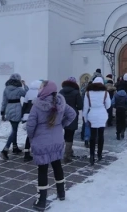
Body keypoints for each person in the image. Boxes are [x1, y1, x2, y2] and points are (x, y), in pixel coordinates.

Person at [26, 80, 76, 211]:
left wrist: (32, 137)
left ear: (45, 89)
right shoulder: (61, 102)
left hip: (42, 142)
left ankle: (41, 201)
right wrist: (61, 125)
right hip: (57, 140)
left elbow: (30, 125)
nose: (39, 89)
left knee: (42, 170)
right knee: (57, 165)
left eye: (41, 87)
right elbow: (72, 114)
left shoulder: (37, 105)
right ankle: (61, 193)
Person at [83, 77, 111, 165]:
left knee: (93, 135)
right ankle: (99, 154)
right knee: (101, 135)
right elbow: (108, 105)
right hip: (102, 114)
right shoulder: (105, 93)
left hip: (92, 114)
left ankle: (92, 156)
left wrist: (85, 118)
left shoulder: (88, 93)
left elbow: (85, 108)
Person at [0, 73, 27, 161]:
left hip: (8, 109)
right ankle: (5, 149)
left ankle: (15, 147)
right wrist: (25, 85)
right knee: (14, 130)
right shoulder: (19, 89)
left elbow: (4, 101)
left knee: (14, 128)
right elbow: (27, 94)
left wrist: (2, 112)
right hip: (17, 109)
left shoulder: (6, 89)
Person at [59, 77, 83, 163]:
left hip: (62, 113)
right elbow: (80, 106)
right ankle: (67, 154)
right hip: (72, 114)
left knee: (66, 132)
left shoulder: (61, 92)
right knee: (70, 134)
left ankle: (68, 150)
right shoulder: (76, 92)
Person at [21, 80, 43, 162]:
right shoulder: (40, 93)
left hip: (27, 117)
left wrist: (22, 116)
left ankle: (26, 154)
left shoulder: (28, 92)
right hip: (36, 117)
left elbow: (24, 105)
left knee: (29, 136)